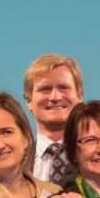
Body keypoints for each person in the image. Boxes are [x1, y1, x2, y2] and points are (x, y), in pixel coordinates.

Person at [22, 53, 84, 183]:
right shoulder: (14, 163)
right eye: (45, 89)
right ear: (28, 100)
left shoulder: (99, 158)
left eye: (63, 88)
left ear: (79, 96)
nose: (55, 97)